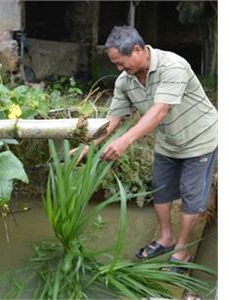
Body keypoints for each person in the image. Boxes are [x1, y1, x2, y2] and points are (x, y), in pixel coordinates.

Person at [73, 26, 217, 267]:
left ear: (138, 49)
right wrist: (89, 146)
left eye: (121, 62)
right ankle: (166, 238)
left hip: (200, 139)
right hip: (168, 142)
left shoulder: (173, 66)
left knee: (192, 196)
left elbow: (160, 110)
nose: (119, 69)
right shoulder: (125, 81)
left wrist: (125, 140)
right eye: (115, 64)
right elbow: (112, 120)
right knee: (160, 190)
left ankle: (181, 250)